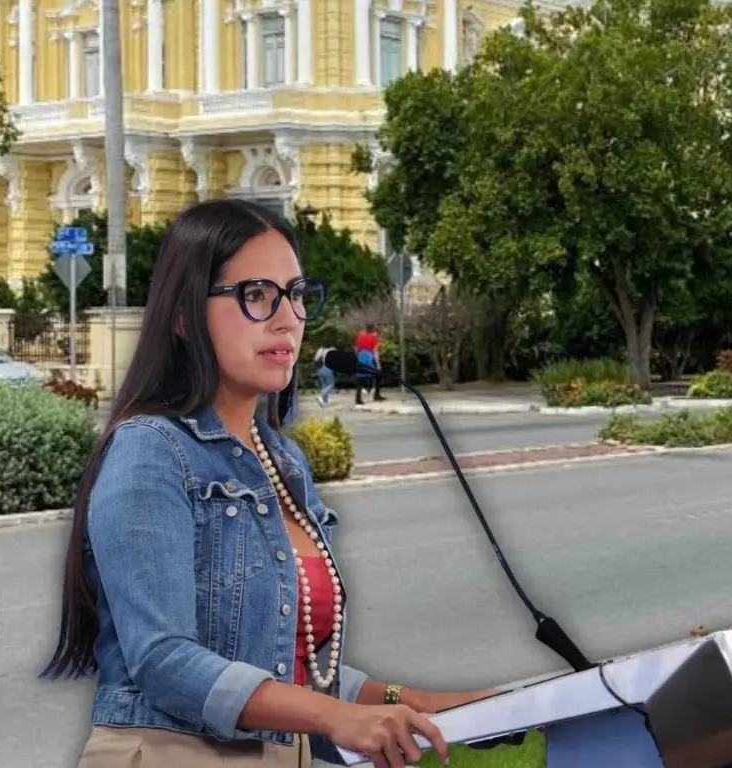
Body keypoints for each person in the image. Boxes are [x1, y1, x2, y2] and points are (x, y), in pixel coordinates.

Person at [41, 199, 494, 768]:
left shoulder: (284, 461)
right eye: (256, 295)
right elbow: (161, 659)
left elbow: (293, 662)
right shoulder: (150, 450)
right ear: (183, 316)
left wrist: (420, 702)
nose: (288, 318)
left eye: (297, 294)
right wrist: (335, 718)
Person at [352, 324, 384, 405]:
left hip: (361, 356)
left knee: (360, 377)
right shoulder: (374, 337)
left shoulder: (360, 335)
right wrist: (378, 363)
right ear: (373, 329)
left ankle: (358, 398)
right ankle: (376, 395)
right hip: (369, 357)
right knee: (378, 375)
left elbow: (356, 348)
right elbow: (375, 350)